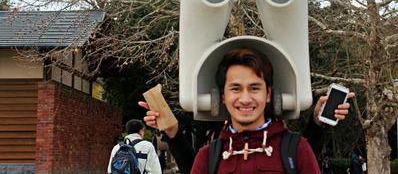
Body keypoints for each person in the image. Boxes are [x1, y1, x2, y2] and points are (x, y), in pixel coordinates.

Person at [139, 74, 355, 174]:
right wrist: (172, 132)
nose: (244, 99)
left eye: (254, 88)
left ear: (269, 95)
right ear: (222, 97)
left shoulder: (295, 148)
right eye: (235, 88)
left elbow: (300, 151)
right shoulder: (211, 154)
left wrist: (318, 123)